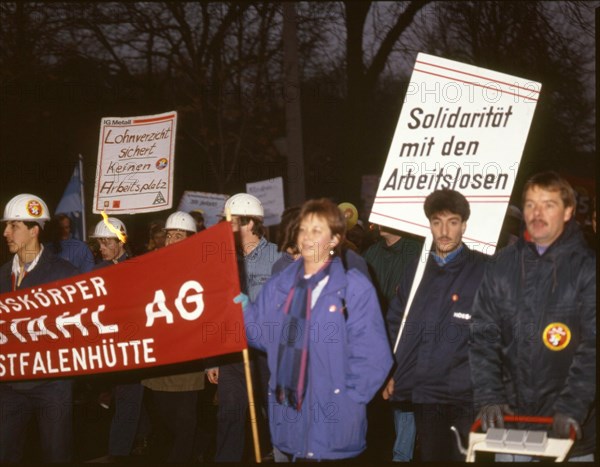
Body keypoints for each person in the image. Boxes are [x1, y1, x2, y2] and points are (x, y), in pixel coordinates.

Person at [240, 198, 393, 461]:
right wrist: (241, 310)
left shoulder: (353, 287)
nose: (308, 237)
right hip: (292, 416)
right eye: (303, 229)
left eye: (317, 230)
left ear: (334, 239)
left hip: (335, 419)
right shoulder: (281, 284)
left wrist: (349, 398)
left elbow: (375, 355)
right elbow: (262, 335)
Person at [470, 171, 596, 462]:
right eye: (530, 204)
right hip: (512, 424)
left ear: (567, 212)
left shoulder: (587, 268)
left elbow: (593, 347)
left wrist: (572, 407)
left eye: (548, 204)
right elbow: (483, 335)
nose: (537, 213)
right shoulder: (502, 264)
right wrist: (490, 395)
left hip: (570, 430)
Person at [383, 189, 487, 462]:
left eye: (452, 222)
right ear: (429, 225)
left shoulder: (484, 269)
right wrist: (390, 371)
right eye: (437, 222)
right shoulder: (416, 272)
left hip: (467, 394)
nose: (444, 231)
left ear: (464, 225)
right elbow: (397, 325)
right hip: (426, 393)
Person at [0, 193, 79, 462]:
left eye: (13, 226)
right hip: (8, 385)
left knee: (56, 455)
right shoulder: (1, 276)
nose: (5, 232)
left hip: (52, 385)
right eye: (6, 226)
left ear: (34, 230)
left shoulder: (65, 274)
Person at [206, 193, 281, 462]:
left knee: (275, 411)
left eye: (232, 222)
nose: (227, 227)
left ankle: (280, 452)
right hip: (231, 351)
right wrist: (211, 359)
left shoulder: (278, 257)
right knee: (229, 413)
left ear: (250, 223)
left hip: (267, 351)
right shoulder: (221, 258)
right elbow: (214, 311)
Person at [141, 211, 206, 462]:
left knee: (184, 420)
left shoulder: (201, 268)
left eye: (178, 236)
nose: (171, 241)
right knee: (165, 415)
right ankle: (200, 443)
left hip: (187, 355)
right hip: (159, 355)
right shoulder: (152, 264)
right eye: (169, 236)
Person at [90, 217, 151, 460]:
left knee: (127, 399)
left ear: (120, 242)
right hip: (107, 346)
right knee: (127, 399)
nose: (101, 249)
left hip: (132, 347)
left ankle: (117, 455)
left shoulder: (139, 267)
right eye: (100, 244)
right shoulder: (95, 272)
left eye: (106, 243)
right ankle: (145, 434)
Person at [362, 225, 422, 462]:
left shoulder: (417, 251)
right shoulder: (371, 253)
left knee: (402, 394)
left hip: (405, 335)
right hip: (376, 334)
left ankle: (402, 454)